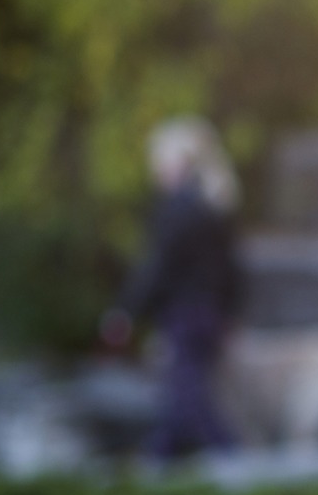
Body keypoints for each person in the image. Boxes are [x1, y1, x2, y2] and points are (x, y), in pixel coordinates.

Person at [101, 115, 244, 463]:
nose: (157, 170)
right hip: (209, 315)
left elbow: (156, 269)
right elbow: (232, 271)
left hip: (185, 316)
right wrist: (230, 315)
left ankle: (235, 461)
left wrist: (124, 313)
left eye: (160, 161)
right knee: (179, 398)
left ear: (179, 162)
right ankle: (157, 461)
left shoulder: (178, 209)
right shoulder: (213, 205)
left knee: (189, 399)